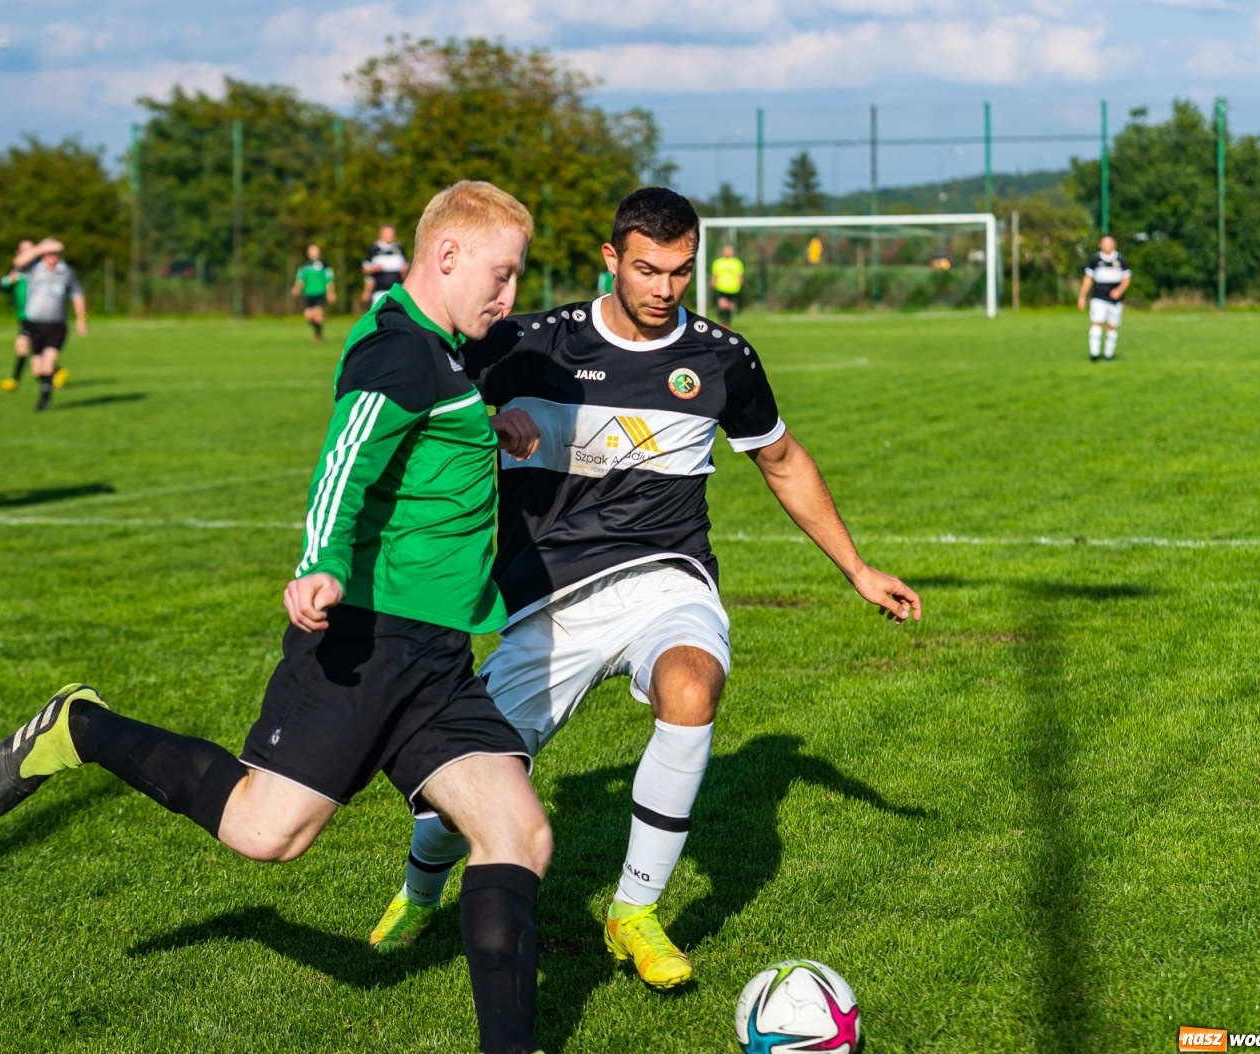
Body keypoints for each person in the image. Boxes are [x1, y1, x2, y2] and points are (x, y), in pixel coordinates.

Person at [0, 181, 557, 1054]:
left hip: (437, 655)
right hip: (365, 637)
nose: (508, 296)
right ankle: (78, 727)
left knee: (519, 832)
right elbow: (344, 461)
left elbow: (435, 434)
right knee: (264, 833)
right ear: (446, 257)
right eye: (502, 274)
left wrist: (493, 427)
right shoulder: (400, 354)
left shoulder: (444, 356)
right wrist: (318, 561)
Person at [366, 188, 922, 992]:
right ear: (611, 260)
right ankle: (419, 894)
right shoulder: (528, 345)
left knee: (693, 687)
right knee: (459, 791)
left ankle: (633, 910)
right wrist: (486, 421)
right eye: (648, 270)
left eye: (681, 271)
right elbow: (414, 392)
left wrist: (858, 568)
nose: (665, 289)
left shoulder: (721, 357)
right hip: (546, 603)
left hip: (668, 579)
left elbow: (782, 460)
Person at [12, 237, 86, 410]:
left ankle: (44, 400)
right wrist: (40, 248)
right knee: (37, 370)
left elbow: (77, 294)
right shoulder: (34, 269)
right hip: (34, 325)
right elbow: (18, 261)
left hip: (56, 326)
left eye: (55, 253)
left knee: (48, 363)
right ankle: (49, 384)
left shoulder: (66, 271)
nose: (52, 257)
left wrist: (81, 318)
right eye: (49, 253)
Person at [1078, 234, 1132, 362]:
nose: (1107, 246)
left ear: (1115, 244)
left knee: (1112, 326)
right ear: (1100, 245)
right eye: (1105, 243)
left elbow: (1127, 279)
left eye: (1110, 243)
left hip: (1115, 299)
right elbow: (1088, 278)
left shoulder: (1121, 260)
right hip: (1098, 296)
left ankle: (1108, 354)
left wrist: (1119, 290)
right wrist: (1082, 296)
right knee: (1097, 322)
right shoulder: (1095, 259)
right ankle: (1094, 354)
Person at [0, 240, 35, 391]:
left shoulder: (39, 270)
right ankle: (56, 372)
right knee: (31, 349)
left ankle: (14, 380)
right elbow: (3, 284)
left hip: (37, 317)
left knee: (23, 346)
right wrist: (9, 280)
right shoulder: (17, 270)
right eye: (24, 251)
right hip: (23, 316)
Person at [291, 244, 336, 342]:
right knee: (308, 316)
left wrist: (330, 293)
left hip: (319, 293)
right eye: (310, 251)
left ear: (318, 252)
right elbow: (300, 279)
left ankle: (318, 335)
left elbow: (329, 280)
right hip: (308, 294)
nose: (311, 253)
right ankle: (318, 331)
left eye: (314, 251)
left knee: (318, 315)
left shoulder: (324, 265)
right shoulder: (305, 265)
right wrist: (296, 289)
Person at [361, 225, 409, 308]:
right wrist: (374, 269)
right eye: (387, 233)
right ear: (381, 234)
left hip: (396, 290)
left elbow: (405, 270)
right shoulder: (373, 250)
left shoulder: (399, 248)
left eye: (391, 233)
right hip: (379, 291)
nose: (390, 235)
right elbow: (366, 272)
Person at [710, 243, 744, 326]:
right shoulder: (718, 262)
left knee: (730, 307)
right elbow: (715, 275)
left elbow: (740, 275)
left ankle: (727, 324)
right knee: (722, 305)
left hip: (733, 289)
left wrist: (741, 283)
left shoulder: (737, 262)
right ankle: (722, 322)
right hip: (721, 288)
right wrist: (713, 284)